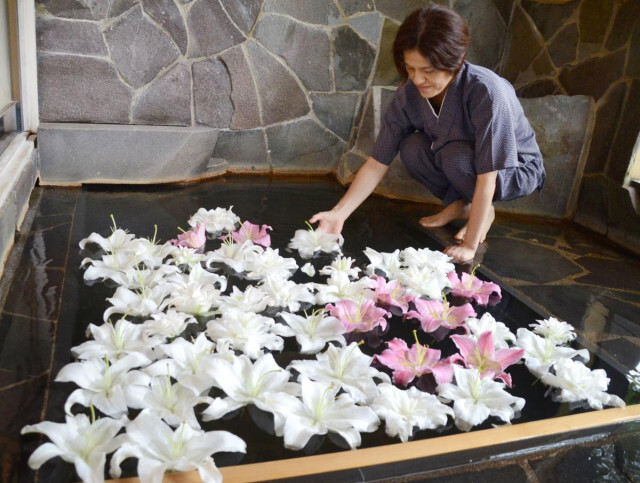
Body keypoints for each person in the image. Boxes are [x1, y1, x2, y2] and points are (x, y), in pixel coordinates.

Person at [310, 5, 545, 263]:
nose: (418, 79)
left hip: (514, 170)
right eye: (411, 68)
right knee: (411, 147)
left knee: (455, 155)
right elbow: (378, 162)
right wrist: (339, 213)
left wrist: (469, 245)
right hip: (461, 159)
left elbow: (487, 177)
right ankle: (464, 204)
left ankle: (482, 212)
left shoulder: (486, 91)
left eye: (428, 71)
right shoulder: (408, 94)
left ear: (454, 61)